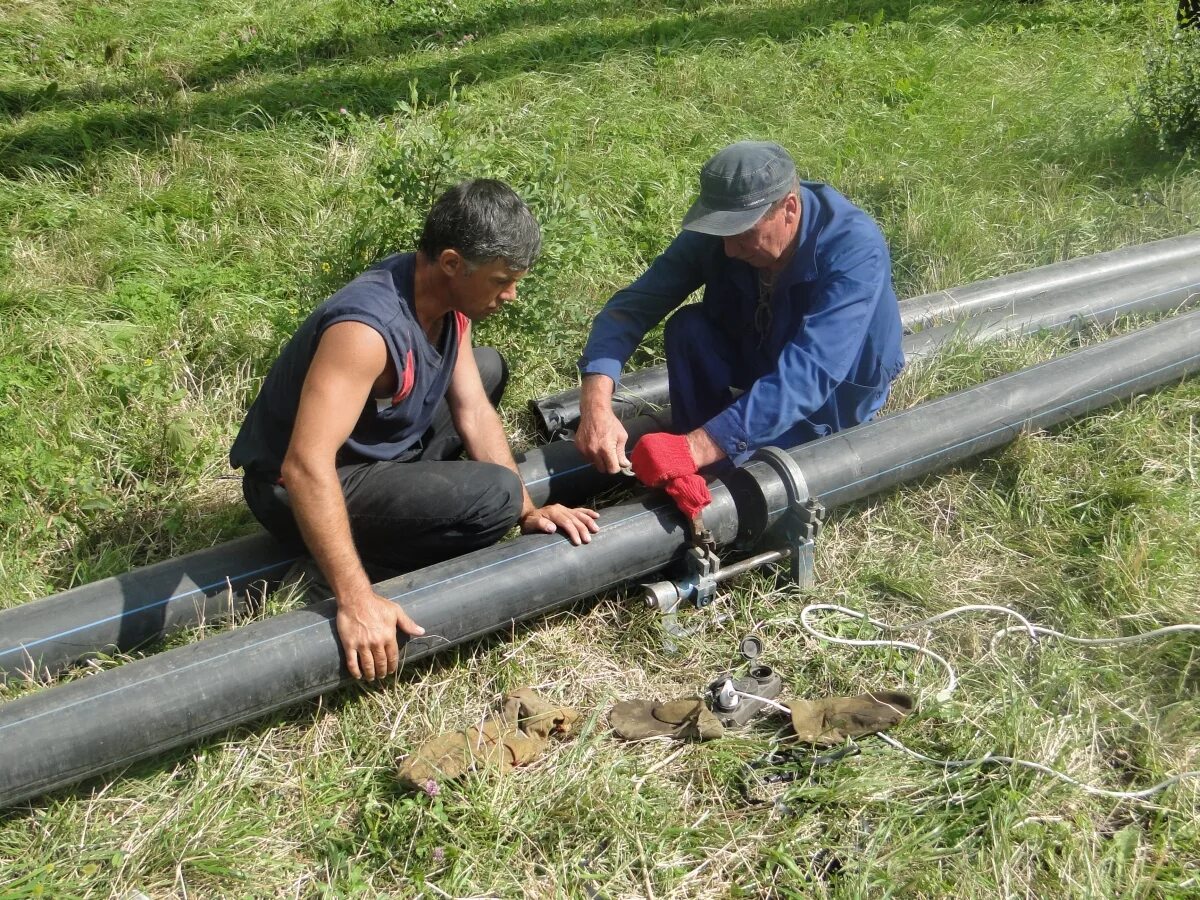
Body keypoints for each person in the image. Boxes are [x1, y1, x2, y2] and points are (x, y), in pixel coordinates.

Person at [231, 179, 599, 681]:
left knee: (487, 370)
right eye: (501, 280)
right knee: (492, 497)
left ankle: (406, 510)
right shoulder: (364, 332)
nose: (510, 295)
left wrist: (529, 512)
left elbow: (472, 409)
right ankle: (328, 570)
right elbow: (304, 466)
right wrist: (356, 598)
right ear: (452, 263)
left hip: (363, 457)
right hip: (293, 490)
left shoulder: (446, 302)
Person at [575, 140, 905, 517]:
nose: (729, 250)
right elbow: (633, 307)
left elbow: (812, 371)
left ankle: (713, 464)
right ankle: (705, 462)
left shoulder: (853, 248)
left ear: (789, 210)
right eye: (722, 233)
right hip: (762, 347)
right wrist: (596, 405)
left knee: (762, 471)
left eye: (742, 233)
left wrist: (694, 447)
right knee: (688, 329)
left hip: (834, 388)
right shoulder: (721, 234)